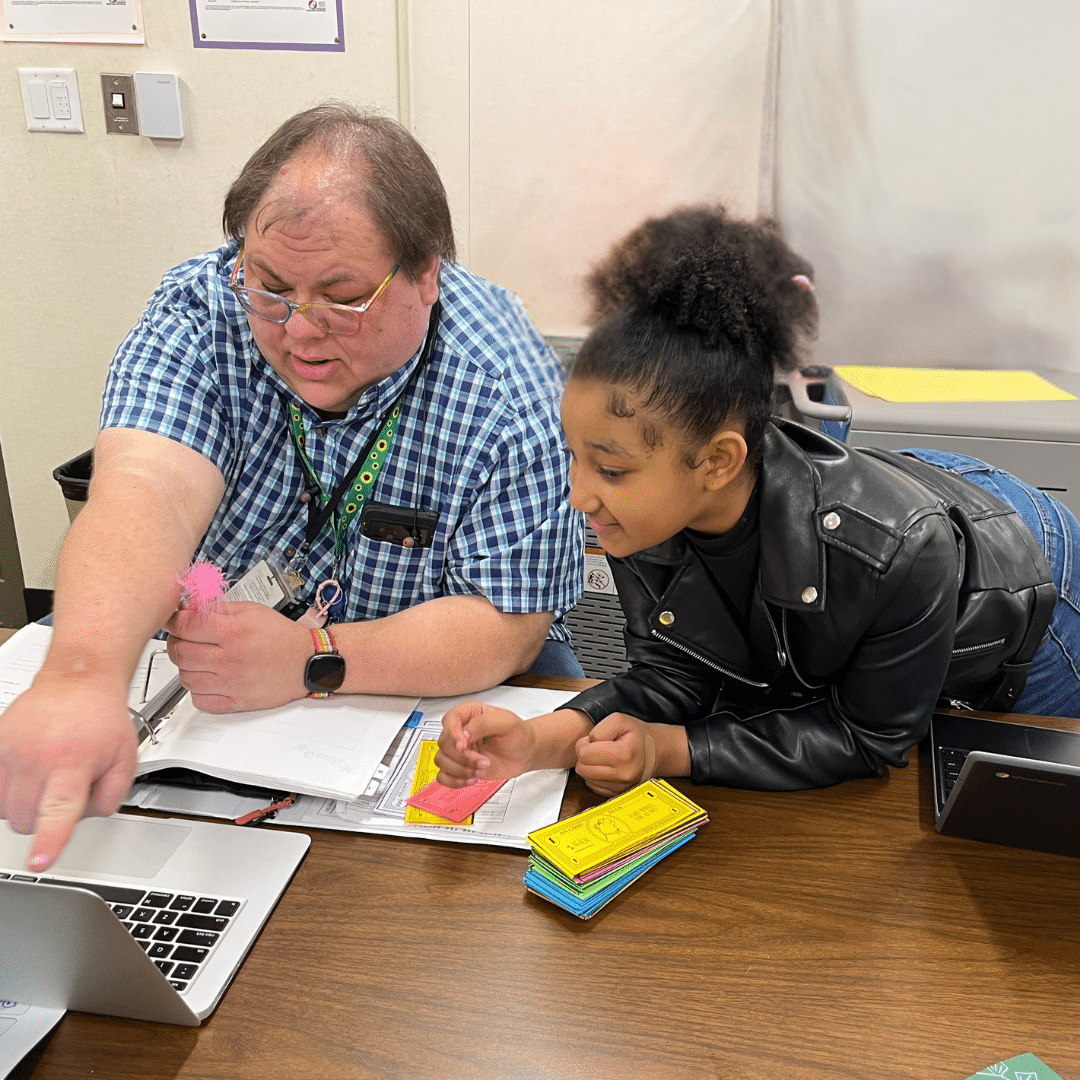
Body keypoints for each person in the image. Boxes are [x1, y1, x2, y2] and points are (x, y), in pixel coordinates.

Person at [0, 102, 583, 870]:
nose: (300, 329)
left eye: (343, 297)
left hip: (429, 690)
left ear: (426, 275)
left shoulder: (504, 384)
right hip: (226, 691)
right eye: (271, 286)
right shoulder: (202, 311)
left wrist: (313, 658)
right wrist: (82, 674)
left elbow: (507, 622)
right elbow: (145, 488)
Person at [435, 205, 1080, 798]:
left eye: (608, 468)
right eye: (573, 456)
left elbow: (870, 735)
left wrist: (673, 749)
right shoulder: (648, 513)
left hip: (1016, 572)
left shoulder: (899, 550)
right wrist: (540, 739)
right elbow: (675, 672)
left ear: (717, 461)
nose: (579, 495)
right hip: (898, 502)